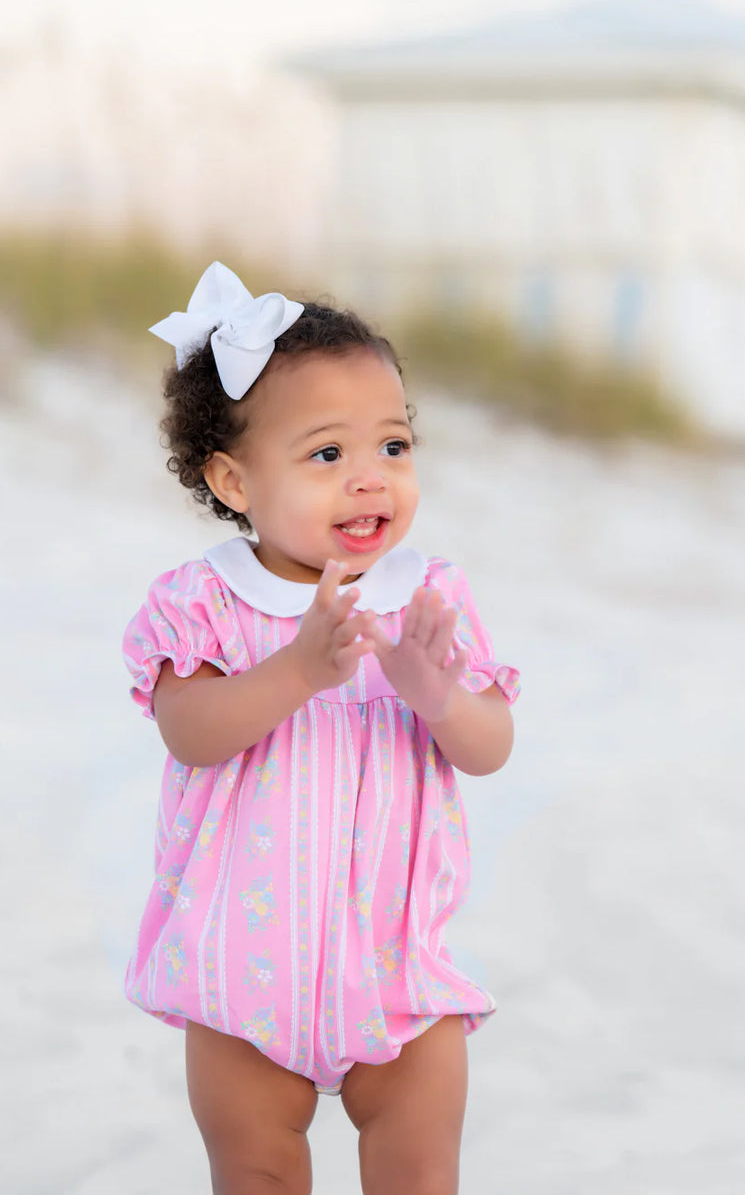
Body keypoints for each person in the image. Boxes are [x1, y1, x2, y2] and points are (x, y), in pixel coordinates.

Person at [122, 262, 521, 1195]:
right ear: (233, 479)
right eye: (328, 456)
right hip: (242, 975)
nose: (370, 480)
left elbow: (492, 745)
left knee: (421, 1170)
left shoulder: (427, 595)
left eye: (393, 446)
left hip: (399, 972)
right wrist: (299, 670)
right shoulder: (205, 606)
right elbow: (192, 731)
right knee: (257, 1167)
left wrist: (436, 695)